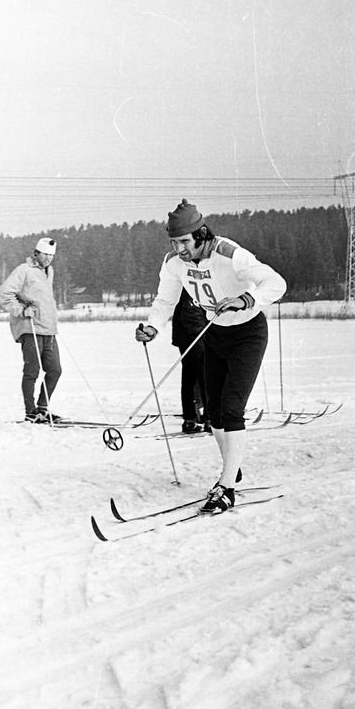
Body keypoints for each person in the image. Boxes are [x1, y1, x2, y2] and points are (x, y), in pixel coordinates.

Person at [136, 199, 286, 514]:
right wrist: (153, 327)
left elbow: (276, 283)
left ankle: (226, 487)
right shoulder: (174, 262)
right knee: (214, 412)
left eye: (184, 242)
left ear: (201, 234)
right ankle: (232, 467)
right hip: (214, 335)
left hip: (247, 334)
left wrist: (245, 299)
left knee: (231, 409)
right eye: (174, 243)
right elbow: (165, 299)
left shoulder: (230, 254)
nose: (179, 249)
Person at [0, 238, 63, 423]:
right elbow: (4, 293)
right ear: (36, 253)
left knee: (55, 370)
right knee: (32, 371)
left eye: (51, 255)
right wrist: (21, 310)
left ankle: (43, 408)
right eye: (45, 254)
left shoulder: (49, 271)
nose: (49, 258)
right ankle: (30, 411)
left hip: (48, 329)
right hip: (30, 328)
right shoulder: (24, 270)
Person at [172, 288, 209, 434]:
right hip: (195, 337)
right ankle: (209, 419)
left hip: (188, 336)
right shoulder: (191, 283)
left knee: (189, 377)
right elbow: (191, 313)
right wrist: (201, 336)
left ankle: (190, 419)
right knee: (204, 377)